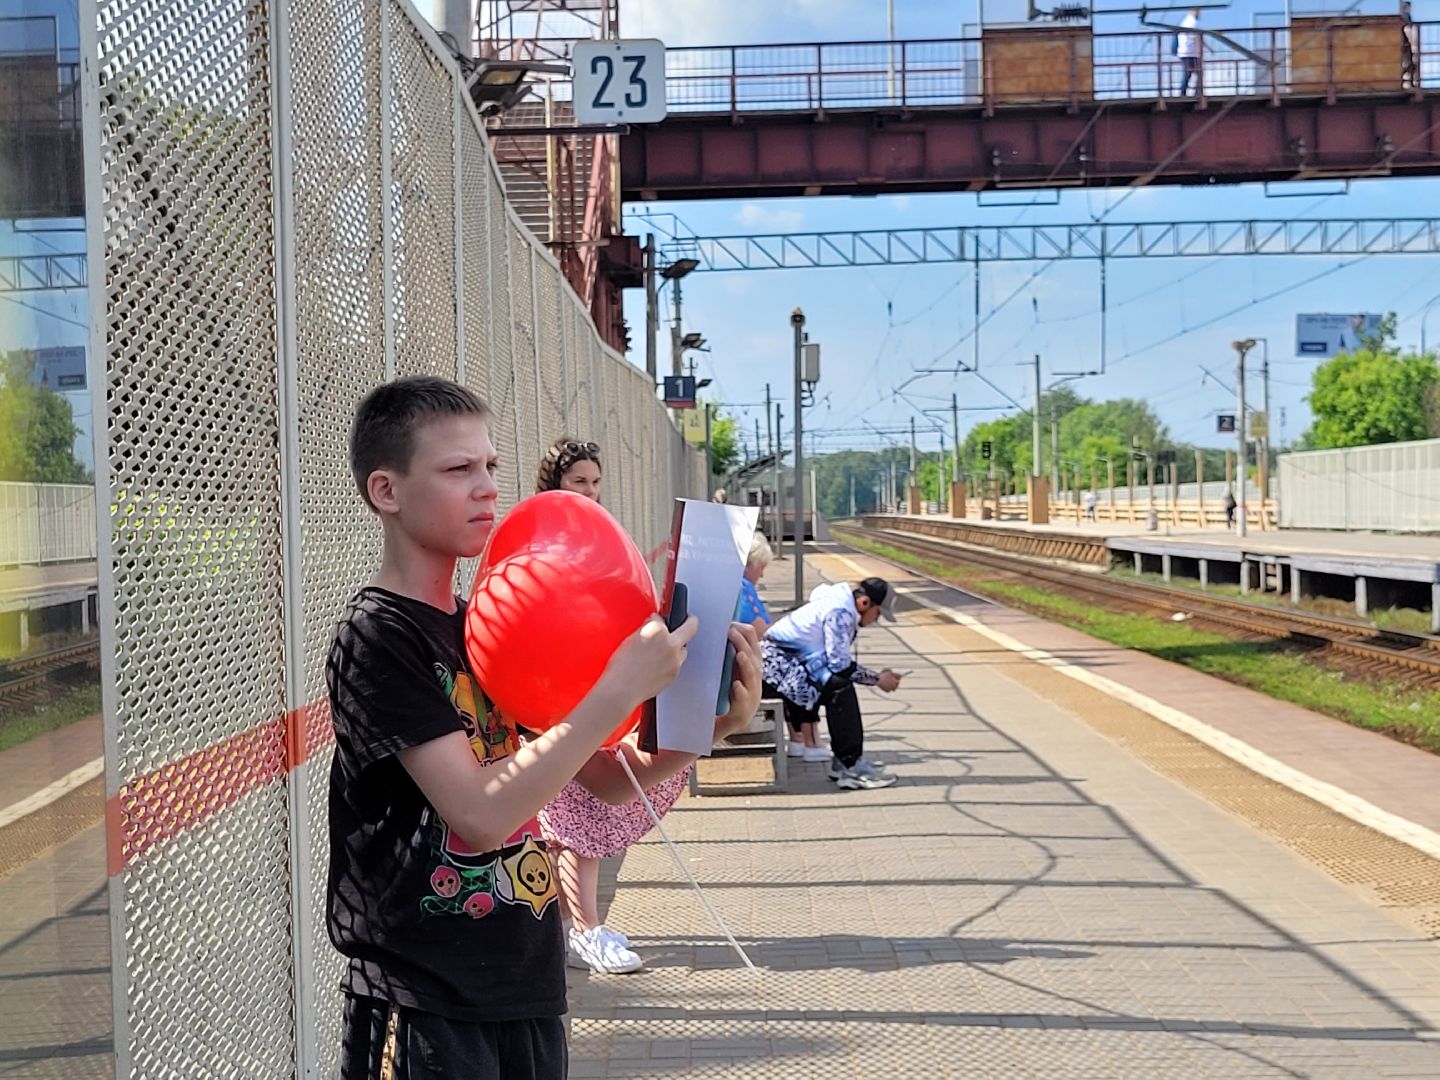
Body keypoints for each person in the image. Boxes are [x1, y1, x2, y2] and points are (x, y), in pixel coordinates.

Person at [327, 382, 762, 1078]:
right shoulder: (377, 636)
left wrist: (713, 728)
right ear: (387, 490)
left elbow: (601, 781)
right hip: (424, 1001)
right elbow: (479, 813)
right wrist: (616, 689)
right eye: (457, 470)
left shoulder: (482, 625)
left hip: (523, 987)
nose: (486, 489)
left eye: (492, 468)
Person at [533, 436, 722, 976]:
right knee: (573, 820)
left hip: (602, 689)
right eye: (579, 482)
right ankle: (584, 932)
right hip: (556, 695)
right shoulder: (545, 540)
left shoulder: (599, 537)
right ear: (554, 485)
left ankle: (572, 928)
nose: (591, 492)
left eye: (596, 482)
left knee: (575, 818)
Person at [762, 577, 903, 791]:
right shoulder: (840, 613)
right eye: (878, 614)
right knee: (840, 687)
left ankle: (845, 762)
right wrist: (878, 680)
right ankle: (851, 767)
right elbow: (839, 665)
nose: (876, 620)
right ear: (865, 603)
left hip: (777, 669)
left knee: (835, 685)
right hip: (777, 672)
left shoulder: (837, 603)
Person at [1176, 8, 1202, 95]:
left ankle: (1185, 92)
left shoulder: (1186, 22)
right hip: (1190, 52)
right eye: (1198, 12)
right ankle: (1188, 92)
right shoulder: (1191, 22)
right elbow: (1195, 36)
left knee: (1190, 72)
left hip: (1187, 52)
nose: (1199, 14)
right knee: (1192, 72)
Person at [1402, 2, 1418, 90]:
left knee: (1410, 64)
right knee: (1409, 64)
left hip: (1407, 45)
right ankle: (1409, 83)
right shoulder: (1405, 17)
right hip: (1406, 45)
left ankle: (1410, 83)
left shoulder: (1406, 16)